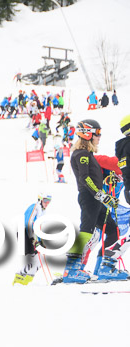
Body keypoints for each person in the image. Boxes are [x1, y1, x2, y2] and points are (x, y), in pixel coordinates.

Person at [62, 119, 124, 283]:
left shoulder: (88, 155)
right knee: (86, 232)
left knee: (112, 230)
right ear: (88, 134)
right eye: (98, 133)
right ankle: (70, 270)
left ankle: (103, 268)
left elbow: (95, 176)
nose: (99, 137)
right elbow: (84, 178)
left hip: (95, 198)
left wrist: (109, 177)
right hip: (89, 197)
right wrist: (100, 194)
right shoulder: (81, 154)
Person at [13, 193, 52, 285]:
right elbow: (28, 222)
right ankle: (22, 279)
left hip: (31, 236)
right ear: (40, 199)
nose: (47, 203)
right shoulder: (35, 206)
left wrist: (40, 241)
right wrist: (33, 239)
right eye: (45, 200)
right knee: (34, 259)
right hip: (25, 234)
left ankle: (23, 279)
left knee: (38, 261)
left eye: (49, 201)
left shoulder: (42, 211)